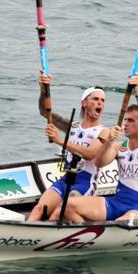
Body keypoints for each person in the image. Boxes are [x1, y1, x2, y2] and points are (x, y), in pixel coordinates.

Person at [66, 73, 138, 223]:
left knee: (119, 224)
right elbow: (99, 163)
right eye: (125, 120)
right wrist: (109, 141)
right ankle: (87, 236)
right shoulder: (119, 148)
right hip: (115, 202)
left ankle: (95, 237)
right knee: (69, 205)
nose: (125, 124)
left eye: (130, 121)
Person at [28, 77, 107, 222]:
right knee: (39, 209)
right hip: (66, 178)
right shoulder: (72, 127)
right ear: (84, 103)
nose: (100, 103)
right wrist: (44, 89)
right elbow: (44, 112)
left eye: (102, 100)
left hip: (85, 182)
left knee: (57, 215)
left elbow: (90, 154)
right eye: (95, 99)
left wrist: (59, 140)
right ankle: (24, 236)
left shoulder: (104, 132)